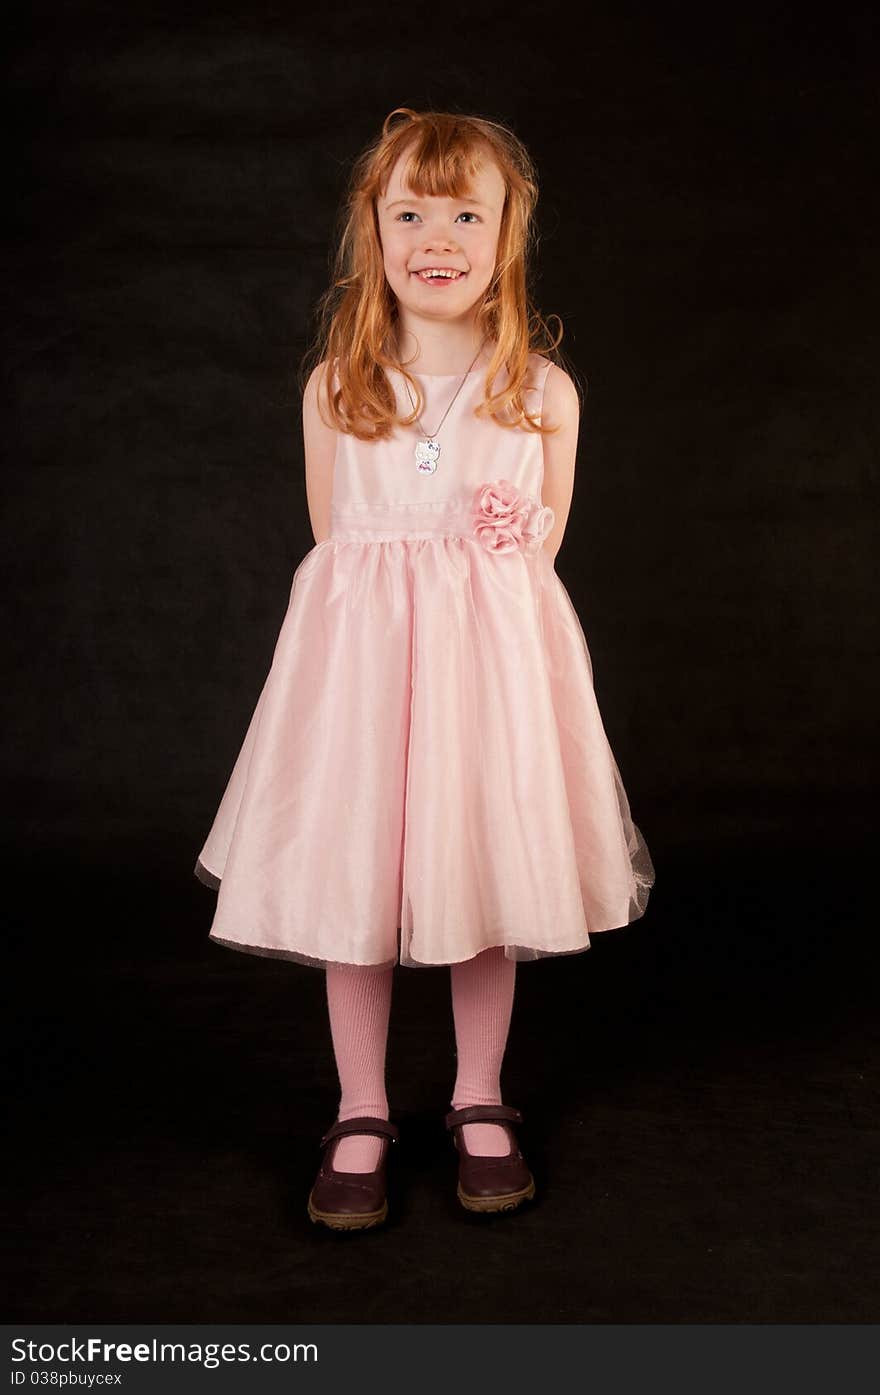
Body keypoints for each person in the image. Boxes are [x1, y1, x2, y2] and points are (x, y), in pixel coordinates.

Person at [194, 106, 655, 1230]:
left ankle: (478, 1095)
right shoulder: (335, 392)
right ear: (373, 231)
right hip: (359, 681)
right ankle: (359, 1106)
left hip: (487, 683)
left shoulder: (540, 394)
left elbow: (531, 563)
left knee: (481, 872)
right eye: (408, 211)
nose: (434, 235)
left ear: (507, 234)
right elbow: (338, 544)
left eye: (464, 212)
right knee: (357, 872)